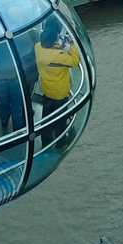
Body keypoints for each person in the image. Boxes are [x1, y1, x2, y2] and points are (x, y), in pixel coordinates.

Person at [34, 16, 80, 148]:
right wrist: (69, 45)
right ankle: (60, 141)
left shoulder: (38, 47)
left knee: (47, 116)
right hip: (59, 92)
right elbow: (75, 61)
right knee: (60, 118)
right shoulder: (58, 55)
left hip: (46, 89)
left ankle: (46, 140)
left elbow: (48, 47)